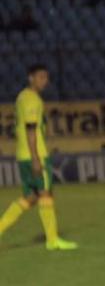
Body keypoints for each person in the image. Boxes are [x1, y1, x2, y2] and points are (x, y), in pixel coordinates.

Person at [0, 64, 77, 250]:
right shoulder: (32, 99)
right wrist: (36, 157)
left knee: (30, 197)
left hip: (22, 154)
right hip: (35, 155)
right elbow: (31, 129)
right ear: (30, 78)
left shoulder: (21, 97)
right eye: (41, 77)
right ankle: (52, 240)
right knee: (46, 193)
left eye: (46, 77)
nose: (45, 81)